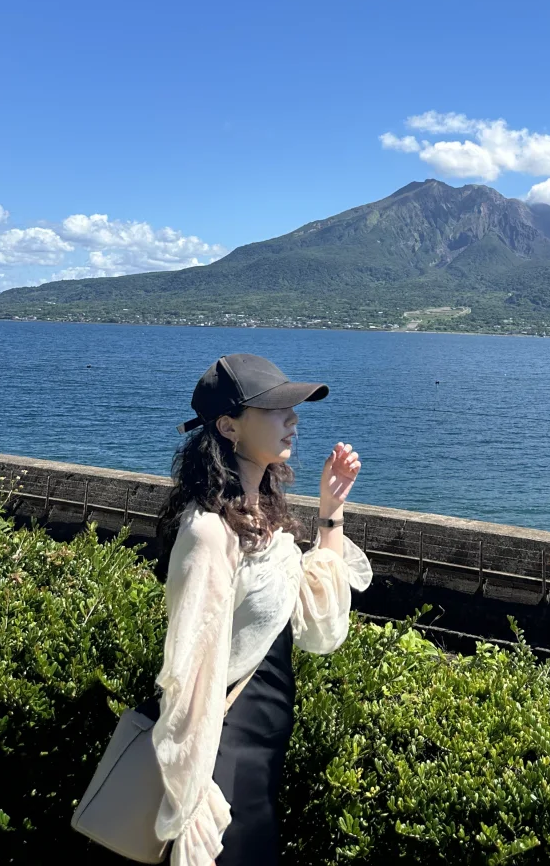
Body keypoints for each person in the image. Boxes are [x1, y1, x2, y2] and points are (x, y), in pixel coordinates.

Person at [151, 353, 371, 866]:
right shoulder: (209, 533)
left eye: (292, 408)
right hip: (223, 751)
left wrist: (331, 511)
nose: (292, 418)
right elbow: (186, 669)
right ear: (229, 426)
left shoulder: (262, 517)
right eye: (276, 409)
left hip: (262, 745)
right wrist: (192, 787)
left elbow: (317, 621)